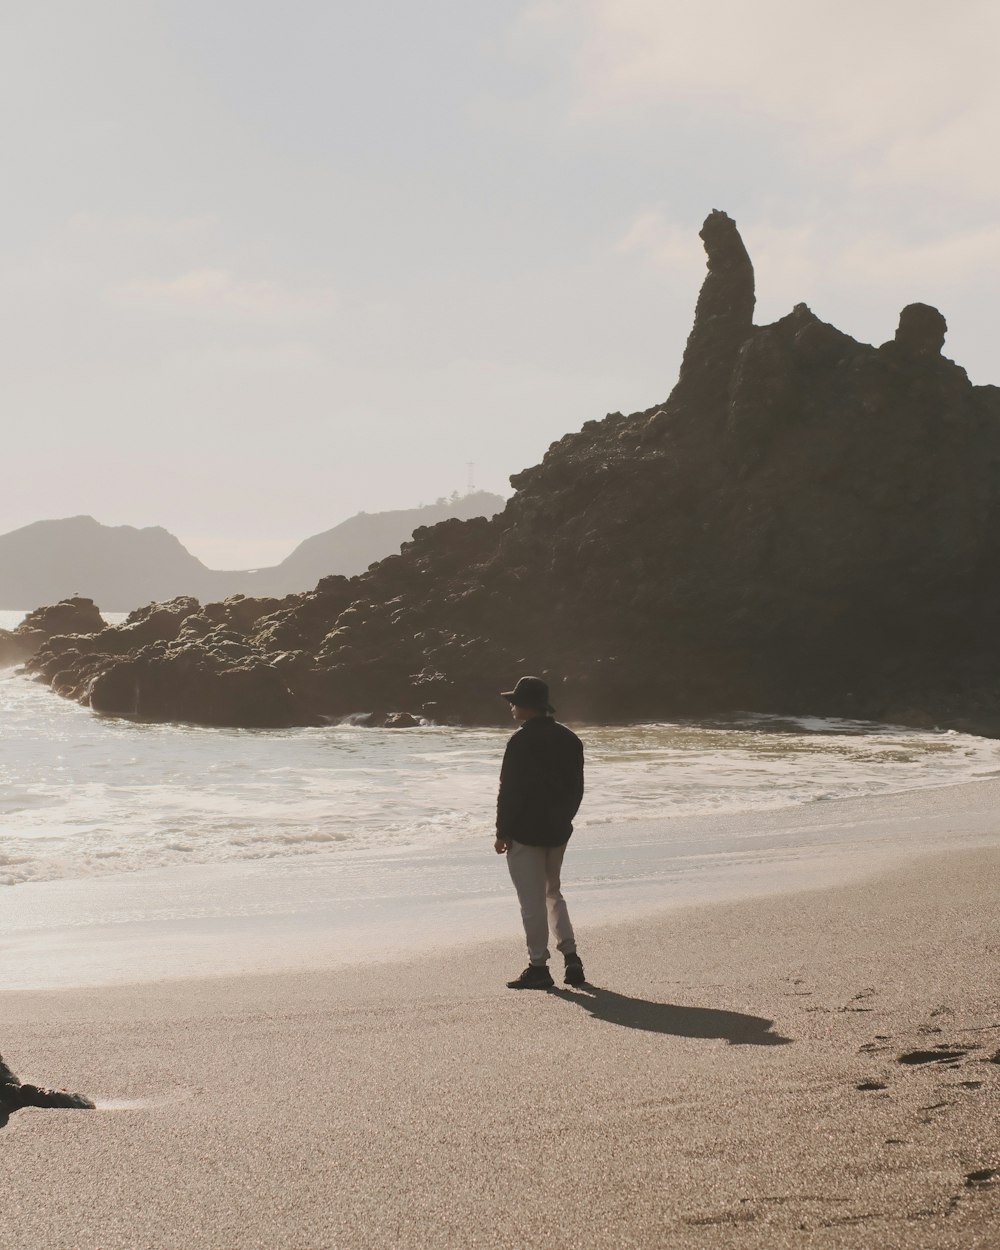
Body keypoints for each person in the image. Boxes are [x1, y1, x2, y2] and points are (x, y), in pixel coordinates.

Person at [494, 675, 586, 989]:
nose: (511, 706)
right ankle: (571, 957)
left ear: (525, 707)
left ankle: (538, 967)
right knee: (553, 893)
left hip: (525, 832)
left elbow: (510, 792)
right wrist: (565, 821)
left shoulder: (519, 741)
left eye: (514, 702)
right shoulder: (570, 739)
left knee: (531, 901)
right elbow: (576, 790)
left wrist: (502, 831)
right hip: (558, 831)